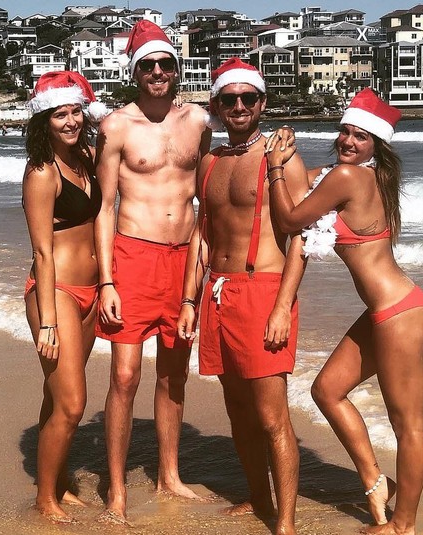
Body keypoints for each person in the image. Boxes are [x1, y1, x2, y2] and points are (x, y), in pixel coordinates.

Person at [265, 88, 423, 535]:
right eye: (345, 131)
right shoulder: (359, 177)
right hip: (388, 310)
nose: (348, 141)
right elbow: (303, 184)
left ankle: (403, 525)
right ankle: (377, 481)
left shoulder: (348, 177)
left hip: (399, 313)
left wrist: (275, 167)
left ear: (376, 144)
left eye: (361, 136)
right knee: (327, 390)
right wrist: (283, 149)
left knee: (408, 425)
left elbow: (289, 219)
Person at [177, 57, 307, 535]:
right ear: (216, 105)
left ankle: (286, 522)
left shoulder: (282, 158)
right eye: (229, 99)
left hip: (263, 291)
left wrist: (282, 307)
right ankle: (258, 498)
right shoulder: (209, 162)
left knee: (272, 416)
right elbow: (202, 235)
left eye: (247, 98)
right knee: (237, 409)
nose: (238, 106)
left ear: (262, 103)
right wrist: (189, 301)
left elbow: (302, 239)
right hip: (218, 292)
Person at [93, 20, 213, 524]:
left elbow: (211, 197)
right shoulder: (116, 127)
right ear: (135, 72)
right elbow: (104, 208)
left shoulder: (199, 121)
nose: (158, 72)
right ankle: (117, 489)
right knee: (125, 376)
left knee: (173, 373)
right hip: (133, 257)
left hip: (184, 259)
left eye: (166, 64)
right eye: (148, 65)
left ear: (176, 69)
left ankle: (169, 474)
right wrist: (106, 281)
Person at [22, 71, 107, 523]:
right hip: (55, 295)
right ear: (44, 121)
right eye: (60, 114)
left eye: (76, 111)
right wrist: (49, 321)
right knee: (73, 404)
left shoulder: (85, 158)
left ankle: (55, 483)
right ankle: (45, 499)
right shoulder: (42, 173)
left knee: (57, 396)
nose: (71, 121)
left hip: (90, 292)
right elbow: (41, 251)